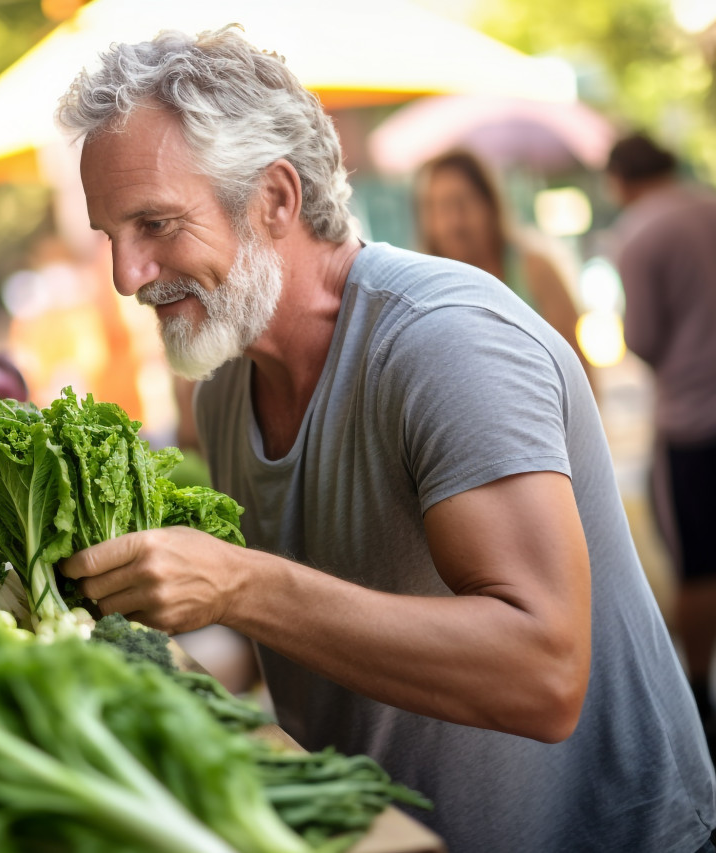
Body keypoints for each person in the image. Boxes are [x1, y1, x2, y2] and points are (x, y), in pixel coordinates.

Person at [54, 26, 716, 853]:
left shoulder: (445, 340)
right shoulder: (227, 382)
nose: (127, 274)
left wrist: (238, 587)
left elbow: (545, 674)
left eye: (154, 223)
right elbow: (318, 644)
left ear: (276, 199)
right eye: (109, 234)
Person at [605, 131, 716, 757]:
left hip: (694, 418)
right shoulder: (710, 203)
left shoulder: (641, 234)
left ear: (620, 180)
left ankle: (700, 691)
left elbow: (641, 338)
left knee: (698, 564)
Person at [414, 148, 595, 388]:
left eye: (461, 204)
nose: (453, 223)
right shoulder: (424, 294)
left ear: (490, 204)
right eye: (438, 208)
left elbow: (579, 373)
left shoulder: (535, 269)